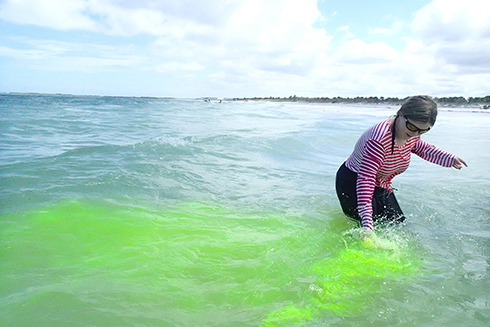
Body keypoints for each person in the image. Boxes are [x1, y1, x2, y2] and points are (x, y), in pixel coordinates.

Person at [335, 95, 467, 239]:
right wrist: (367, 224)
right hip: (353, 181)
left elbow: (420, 147)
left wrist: (449, 158)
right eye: (412, 127)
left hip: (380, 182)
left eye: (423, 131)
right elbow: (366, 179)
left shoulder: (411, 134)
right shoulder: (378, 140)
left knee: (397, 224)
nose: (415, 134)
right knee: (366, 229)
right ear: (400, 114)